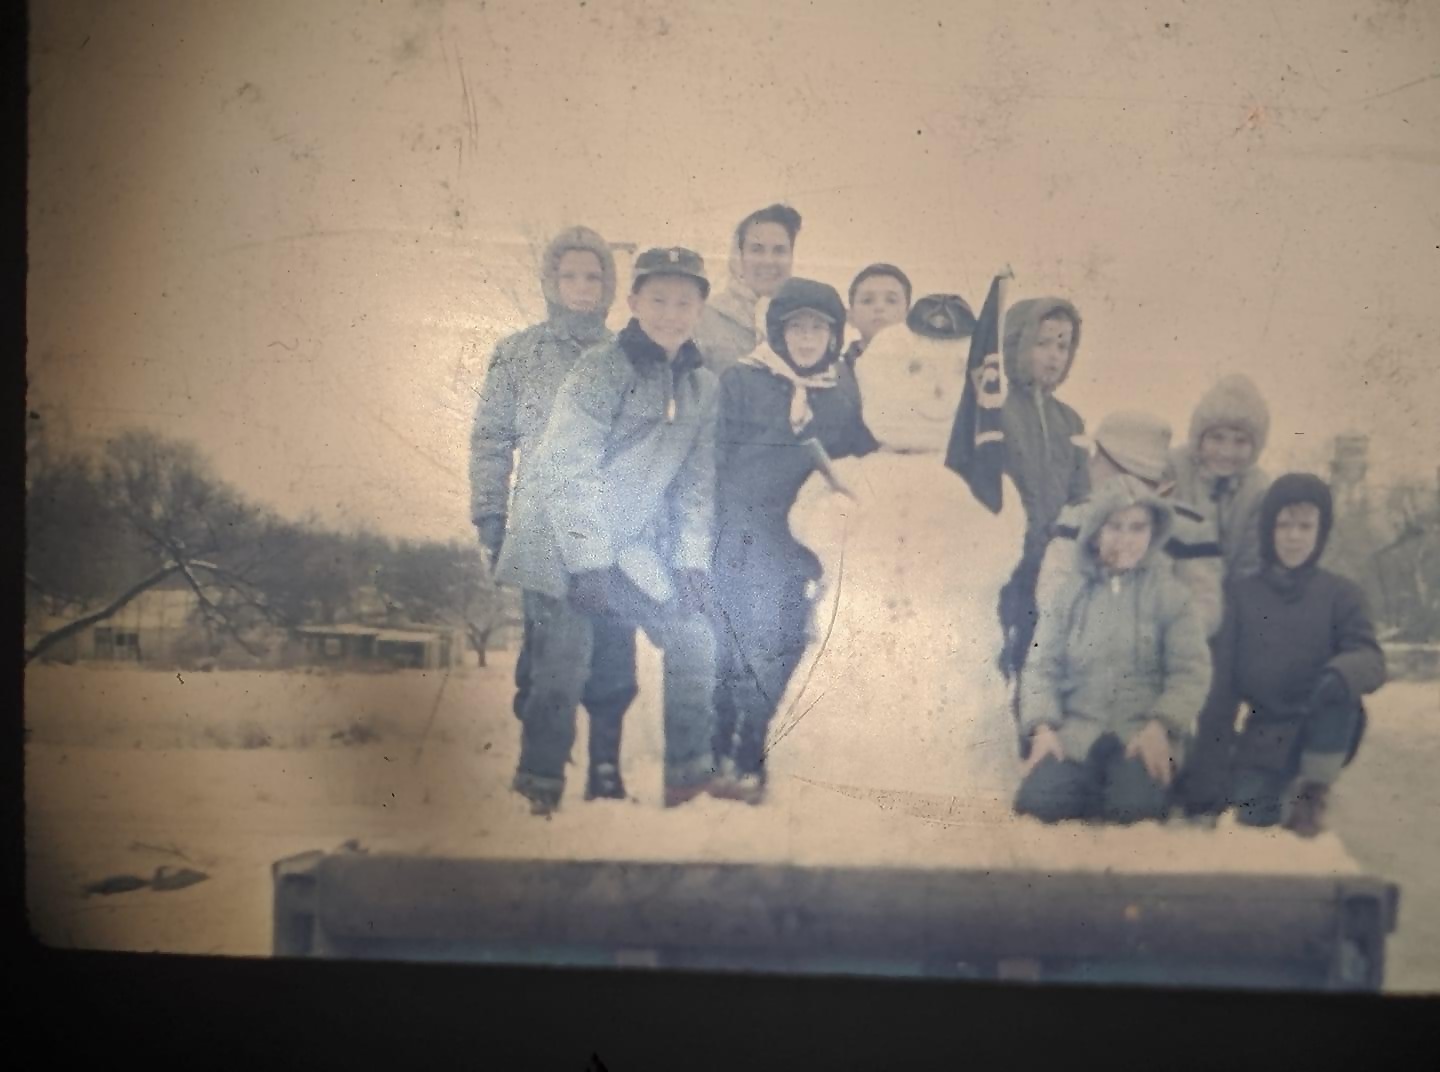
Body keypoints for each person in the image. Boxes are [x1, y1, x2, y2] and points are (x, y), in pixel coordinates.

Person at [498, 246, 724, 815]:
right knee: (563, 661)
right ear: (633, 303)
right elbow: (566, 467)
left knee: (694, 637)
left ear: (700, 308)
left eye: (683, 302)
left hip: (631, 545)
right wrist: (588, 559)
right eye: (658, 300)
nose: (670, 313)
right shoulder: (602, 367)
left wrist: (693, 561)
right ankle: (538, 788)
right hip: (560, 536)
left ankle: (687, 783)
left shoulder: (703, 387)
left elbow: (697, 485)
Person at [468, 226, 639, 802]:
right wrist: (490, 516)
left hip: (613, 532)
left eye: (594, 276)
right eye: (570, 275)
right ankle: (539, 779)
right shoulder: (518, 353)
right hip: (542, 532)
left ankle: (605, 776)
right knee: (556, 662)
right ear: (550, 281)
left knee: (613, 658)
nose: (582, 287)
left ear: (610, 286)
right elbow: (491, 438)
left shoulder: (627, 354)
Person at [709, 278, 879, 804]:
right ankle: (719, 745)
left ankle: (750, 749)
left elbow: (858, 459)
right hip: (738, 531)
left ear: (833, 335)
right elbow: (712, 456)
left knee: (783, 643)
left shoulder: (842, 390)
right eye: (796, 328)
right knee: (733, 645)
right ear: (778, 333)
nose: (807, 339)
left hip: (798, 541)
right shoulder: (741, 379)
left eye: (819, 329)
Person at [1182, 474, 1386, 835]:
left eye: (1306, 526)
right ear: (1268, 530)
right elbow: (1221, 695)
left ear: (1321, 532)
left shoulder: (1341, 594)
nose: (1294, 536)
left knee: (1340, 699)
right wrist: (1204, 789)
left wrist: (1341, 673)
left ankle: (1313, 792)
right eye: (1284, 525)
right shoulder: (1242, 597)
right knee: (1252, 818)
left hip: (1322, 723)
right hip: (1265, 734)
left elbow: (1369, 656)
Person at [1014, 475, 1212, 825]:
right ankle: (1084, 783)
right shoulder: (1069, 595)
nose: (1126, 539)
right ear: (1094, 534)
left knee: (1134, 810)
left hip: (1140, 733)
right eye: (1114, 527)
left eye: (1138, 528)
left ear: (1153, 534)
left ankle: (1127, 784)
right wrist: (1043, 729)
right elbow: (1040, 667)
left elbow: (1191, 671)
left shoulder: (1170, 596)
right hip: (1077, 732)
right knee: (1038, 804)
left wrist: (1162, 726)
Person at [1036, 410, 1224, 640]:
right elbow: (1052, 592)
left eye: (1096, 454)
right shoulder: (1077, 517)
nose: (1089, 462)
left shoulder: (1189, 529)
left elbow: (1205, 610)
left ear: (1120, 467)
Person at [996, 297, 1090, 681]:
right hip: (1003, 568)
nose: (1053, 356)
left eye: (1063, 345)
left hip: (1049, 570)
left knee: (1039, 669)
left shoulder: (1070, 421)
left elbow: (1081, 497)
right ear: (1018, 344)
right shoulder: (995, 411)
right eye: (1042, 343)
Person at [1166, 373, 1273, 584]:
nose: (1226, 452)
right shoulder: (1173, 470)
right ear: (1199, 438)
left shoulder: (1258, 490)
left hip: (1229, 597)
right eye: (1217, 438)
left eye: (1240, 442)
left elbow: (1250, 565)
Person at [693, 203, 801, 375]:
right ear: (740, 255)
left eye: (779, 251)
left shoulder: (804, 319)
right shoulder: (704, 318)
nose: (768, 261)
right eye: (757, 250)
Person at [841, 263, 913, 367]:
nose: (879, 307)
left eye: (891, 300)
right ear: (850, 316)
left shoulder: (924, 369)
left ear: (909, 315)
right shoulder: (834, 373)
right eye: (867, 301)